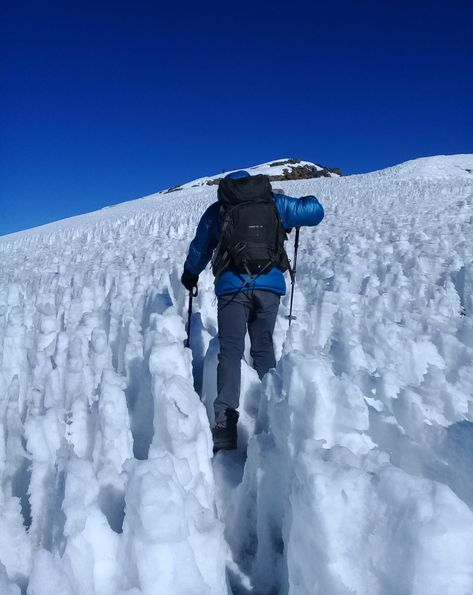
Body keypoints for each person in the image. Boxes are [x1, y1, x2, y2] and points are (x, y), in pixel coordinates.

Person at [181, 170, 324, 451]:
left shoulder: (218, 211)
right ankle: (271, 410)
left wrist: (190, 274)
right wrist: (307, 198)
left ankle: (224, 424)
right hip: (269, 287)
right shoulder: (274, 203)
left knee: (231, 350)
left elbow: (200, 248)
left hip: (232, 288)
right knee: (262, 346)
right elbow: (315, 212)